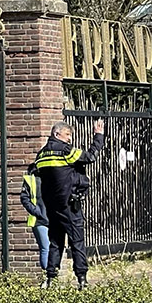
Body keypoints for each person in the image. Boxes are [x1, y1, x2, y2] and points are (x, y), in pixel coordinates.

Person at [35, 119, 105, 290]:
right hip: (69, 203)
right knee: (77, 241)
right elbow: (90, 157)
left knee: (55, 241)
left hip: (51, 205)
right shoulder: (65, 151)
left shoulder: (41, 154)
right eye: (67, 135)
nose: (70, 139)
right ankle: (82, 279)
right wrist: (99, 136)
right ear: (56, 134)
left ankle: (51, 278)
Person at [19, 163, 51, 287]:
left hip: (46, 217)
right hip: (39, 219)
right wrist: (37, 211)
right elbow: (24, 198)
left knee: (48, 248)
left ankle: (50, 276)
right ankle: (48, 277)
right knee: (46, 248)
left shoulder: (50, 176)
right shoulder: (30, 179)